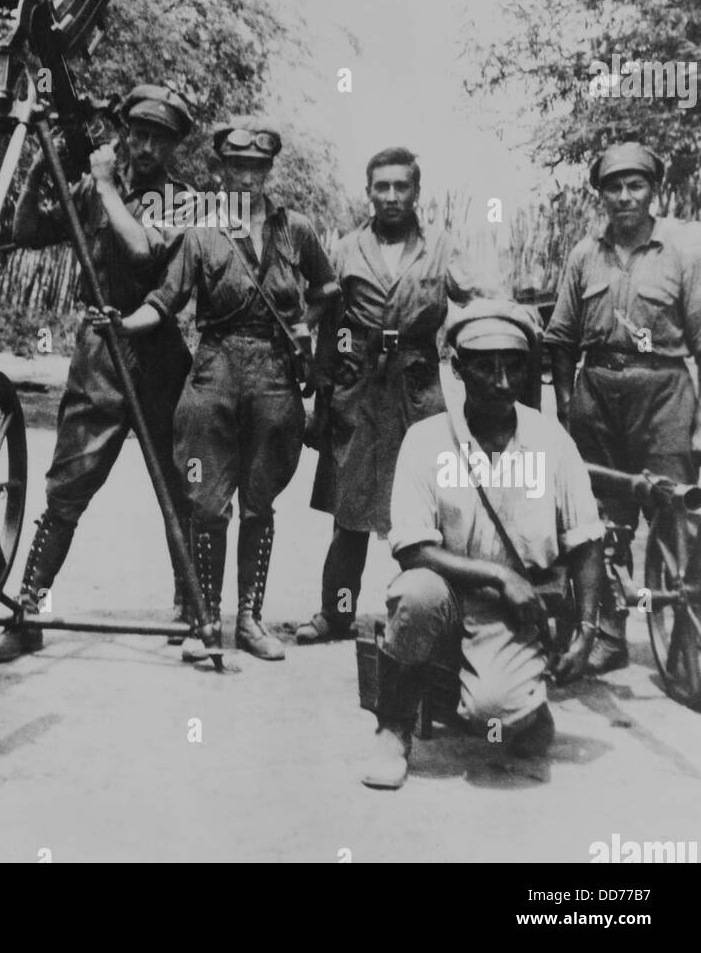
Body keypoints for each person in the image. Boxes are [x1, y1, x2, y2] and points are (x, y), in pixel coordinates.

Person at [105, 118, 338, 662]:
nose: (247, 177)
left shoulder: (295, 229)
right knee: (207, 504)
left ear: (268, 171)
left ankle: (250, 622)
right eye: (237, 166)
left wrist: (306, 321)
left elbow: (328, 288)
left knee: (259, 505)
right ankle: (205, 622)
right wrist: (125, 325)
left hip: (275, 379)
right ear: (222, 169)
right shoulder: (201, 228)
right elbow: (166, 298)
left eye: (257, 167)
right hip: (214, 371)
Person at [0, 83, 196, 663]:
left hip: (156, 351)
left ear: (175, 145)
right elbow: (28, 233)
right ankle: (29, 612)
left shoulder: (182, 203)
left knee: (177, 486)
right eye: (138, 132)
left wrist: (103, 186)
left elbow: (145, 255)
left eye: (160, 137)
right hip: (100, 351)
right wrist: (36, 176)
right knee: (67, 487)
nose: (146, 146)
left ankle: (192, 609)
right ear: (125, 132)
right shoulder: (91, 189)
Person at [362, 299, 604, 789]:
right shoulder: (426, 440)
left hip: (512, 612)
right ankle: (393, 727)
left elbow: (585, 540)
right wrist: (498, 574)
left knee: (496, 717)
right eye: (485, 365)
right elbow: (411, 549)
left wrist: (587, 629)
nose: (501, 380)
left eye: (514, 366)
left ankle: (523, 707)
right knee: (414, 593)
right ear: (458, 367)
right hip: (449, 595)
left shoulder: (551, 441)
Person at [297, 146, 475, 646]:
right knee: (349, 513)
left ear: (417, 192)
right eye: (382, 187)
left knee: (427, 511)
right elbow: (330, 323)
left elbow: (477, 300)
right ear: (369, 191)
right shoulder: (347, 248)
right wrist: (324, 393)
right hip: (359, 389)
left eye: (402, 187)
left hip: (418, 392)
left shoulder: (442, 248)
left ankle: (432, 615)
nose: (392, 196)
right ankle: (336, 614)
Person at [544, 141, 701, 673]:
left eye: (636, 185)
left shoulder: (686, 250)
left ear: (653, 190)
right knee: (600, 522)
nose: (625, 197)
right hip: (598, 393)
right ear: (601, 195)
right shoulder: (584, 255)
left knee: (676, 512)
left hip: (663, 392)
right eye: (614, 187)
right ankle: (607, 635)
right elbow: (561, 340)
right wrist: (568, 409)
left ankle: (683, 640)